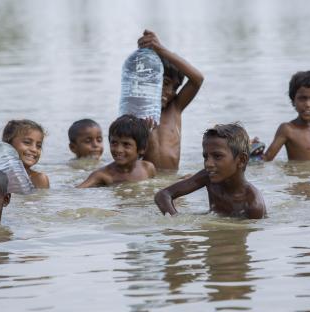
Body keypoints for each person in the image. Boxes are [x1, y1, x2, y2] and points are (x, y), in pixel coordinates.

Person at [155, 123, 266, 219]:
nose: (208, 164)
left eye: (217, 156)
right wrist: (176, 222)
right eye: (205, 157)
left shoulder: (254, 205)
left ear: (241, 160)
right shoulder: (208, 177)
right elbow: (163, 195)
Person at [137, 29, 204, 171]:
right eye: (165, 83)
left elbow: (197, 79)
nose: (170, 92)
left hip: (171, 179)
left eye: (175, 88)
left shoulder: (175, 108)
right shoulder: (136, 113)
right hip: (147, 180)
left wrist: (161, 50)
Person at [77, 115, 156, 188]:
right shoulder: (102, 175)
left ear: (142, 149)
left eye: (126, 144)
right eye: (114, 143)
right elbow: (76, 191)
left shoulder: (148, 168)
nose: (118, 150)